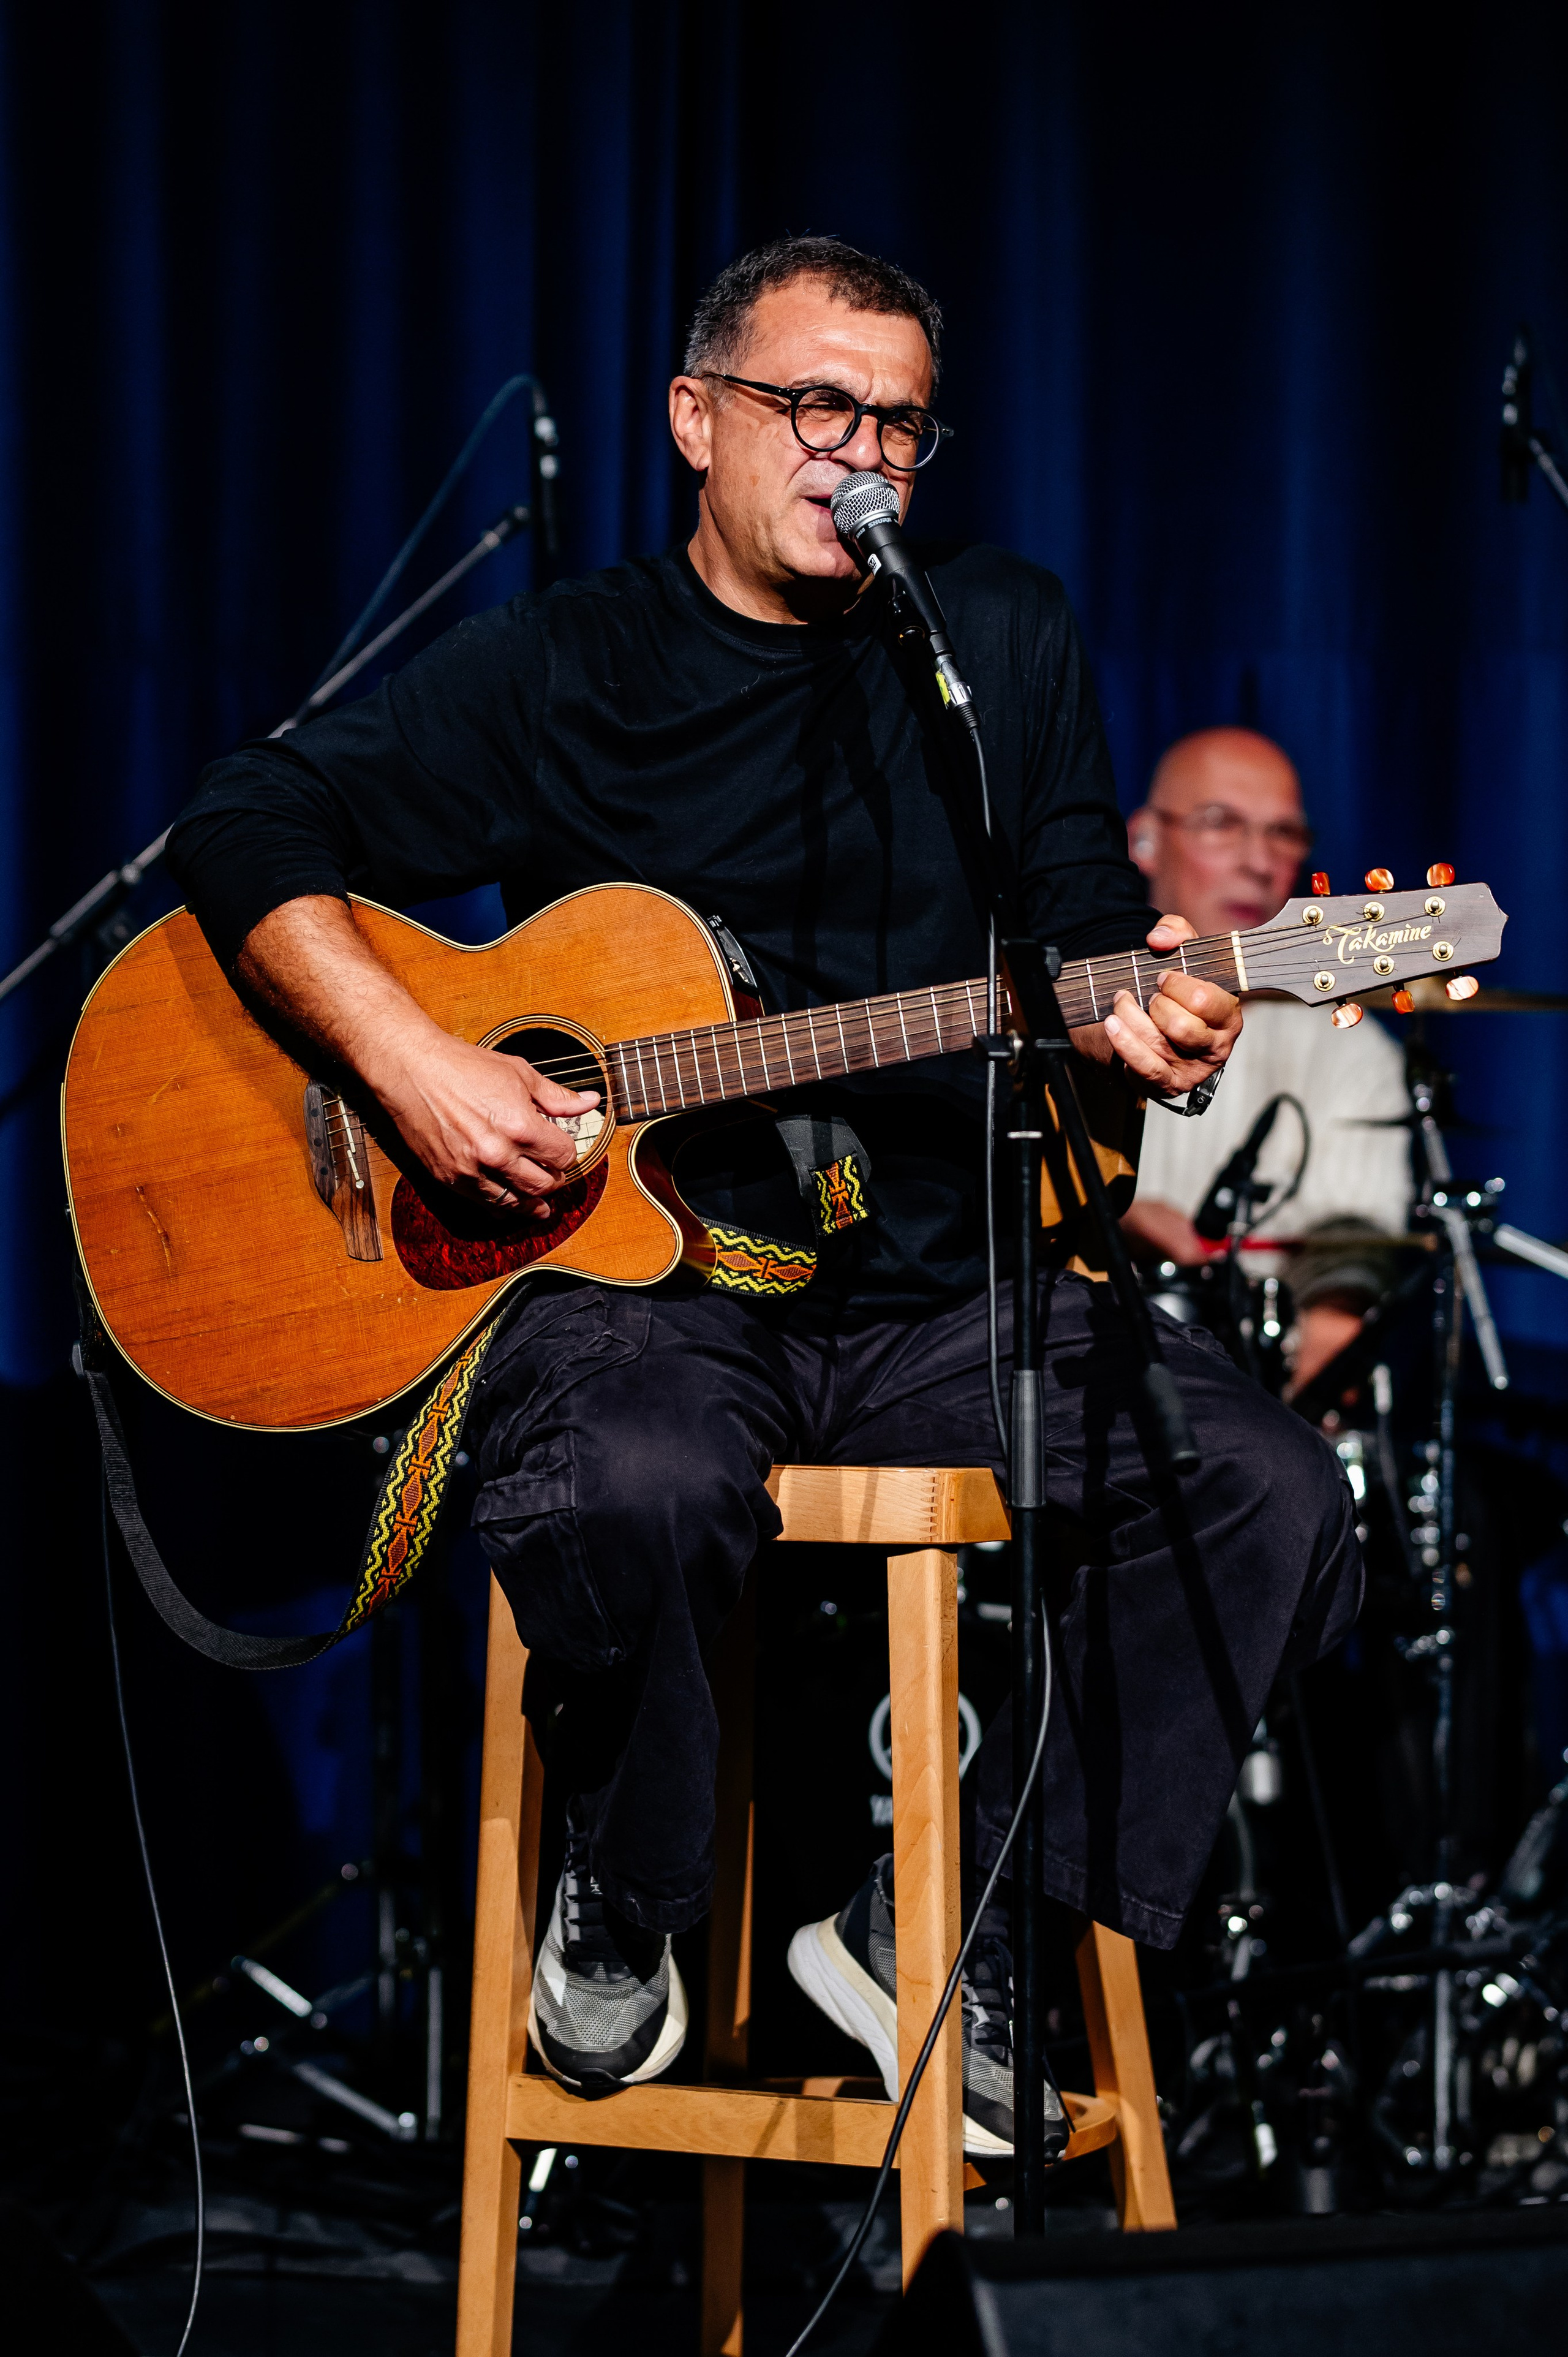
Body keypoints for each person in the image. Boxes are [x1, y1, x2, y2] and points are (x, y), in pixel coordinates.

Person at [166, 239, 1360, 2147]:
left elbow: (1068, 929)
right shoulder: (571, 664)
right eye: (817, 405)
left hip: (935, 1295)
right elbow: (242, 820)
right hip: (652, 1294)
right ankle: (626, 1892)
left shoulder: (994, 641)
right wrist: (411, 1056)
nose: (857, 451)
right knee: (638, 1474)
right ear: (694, 417)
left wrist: (1143, 1018)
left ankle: (956, 1918)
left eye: (896, 416)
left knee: (1268, 1487)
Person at [1123, 727, 1412, 1393]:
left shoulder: (1347, 1040)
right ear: (1144, 840)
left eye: (1283, 833)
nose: (1259, 861)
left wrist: (1333, 1321)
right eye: (1221, 824)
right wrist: (1103, 1200)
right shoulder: (1066, 1006)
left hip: (1251, 1376)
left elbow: (1356, 1240)